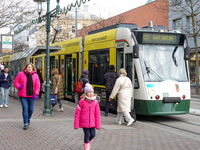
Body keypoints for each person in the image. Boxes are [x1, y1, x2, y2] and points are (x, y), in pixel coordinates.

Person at [14, 63, 40, 130]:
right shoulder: (21, 74)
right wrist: (19, 86)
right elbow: (16, 82)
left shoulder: (36, 76)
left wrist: (36, 94)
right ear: (26, 68)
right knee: (25, 108)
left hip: (31, 95)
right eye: (28, 67)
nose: (29, 68)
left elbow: (37, 86)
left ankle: (28, 118)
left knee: (31, 109)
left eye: (31, 67)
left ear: (33, 68)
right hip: (23, 95)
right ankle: (25, 123)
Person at [74, 83, 101, 150]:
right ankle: (86, 147)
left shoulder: (95, 102)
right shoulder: (81, 102)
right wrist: (76, 125)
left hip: (92, 123)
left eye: (92, 92)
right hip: (84, 122)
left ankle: (88, 142)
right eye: (89, 92)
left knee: (93, 134)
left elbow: (97, 114)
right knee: (87, 134)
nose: (91, 93)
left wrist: (98, 125)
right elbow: (77, 114)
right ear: (86, 93)